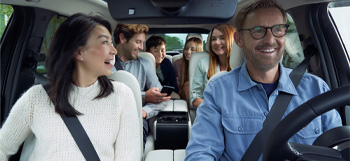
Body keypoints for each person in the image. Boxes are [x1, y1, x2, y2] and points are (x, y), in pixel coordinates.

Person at [185, 0, 342, 161]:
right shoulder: (218, 90)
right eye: (258, 31)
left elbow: (336, 148)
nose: (270, 39)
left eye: (278, 29)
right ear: (239, 39)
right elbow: (201, 152)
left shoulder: (316, 88)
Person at [0, 13, 140, 160]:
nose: (114, 50)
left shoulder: (121, 96)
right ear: (78, 52)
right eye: (105, 42)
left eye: (112, 42)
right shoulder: (36, 97)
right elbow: (2, 147)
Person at [113, 24, 171, 147]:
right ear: (122, 38)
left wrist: (144, 111)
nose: (142, 47)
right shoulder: (106, 63)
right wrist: (145, 96)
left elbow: (163, 97)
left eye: (142, 42)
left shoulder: (145, 65)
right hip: (109, 116)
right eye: (138, 42)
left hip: (136, 118)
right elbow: (108, 94)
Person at [190, 24, 236, 108]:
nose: (217, 42)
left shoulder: (241, 65)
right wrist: (216, 109)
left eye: (222, 38)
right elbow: (195, 98)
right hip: (209, 115)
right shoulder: (203, 63)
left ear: (232, 39)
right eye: (213, 39)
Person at [173, 37, 203, 106]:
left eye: (193, 49)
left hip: (200, 94)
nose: (188, 52)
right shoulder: (177, 64)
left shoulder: (203, 64)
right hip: (183, 94)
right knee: (188, 86)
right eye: (186, 48)